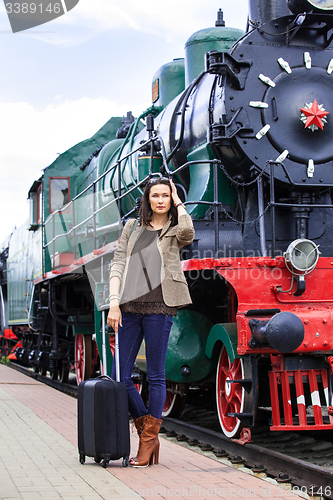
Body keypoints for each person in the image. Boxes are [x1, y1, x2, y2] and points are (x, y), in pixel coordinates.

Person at [107, 177, 194, 467]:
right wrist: (114, 302)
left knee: (156, 375)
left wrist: (180, 201)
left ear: (171, 200)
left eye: (165, 196)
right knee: (120, 375)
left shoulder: (174, 227)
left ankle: (147, 441)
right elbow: (118, 262)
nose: (160, 200)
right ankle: (148, 429)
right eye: (155, 195)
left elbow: (189, 233)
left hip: (160, 305)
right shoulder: (132, 227)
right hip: (129, 306)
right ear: (147, 199)